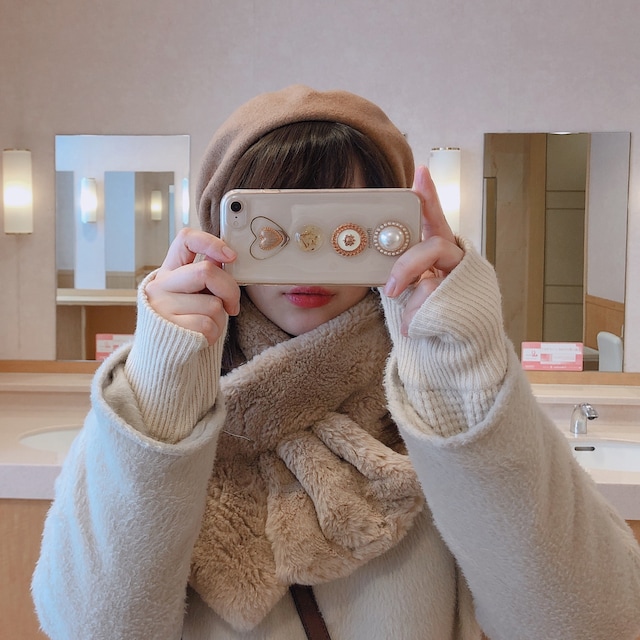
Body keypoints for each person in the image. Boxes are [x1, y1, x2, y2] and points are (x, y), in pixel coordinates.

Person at [32, 85, 640, 640]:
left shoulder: (436, 397)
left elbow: (595, 625)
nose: (311, 260)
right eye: (275, 227)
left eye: (345, 226)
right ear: (220, 225)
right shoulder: (159, 403)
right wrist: (160, 385)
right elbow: (89, 631)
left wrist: (462, 365)